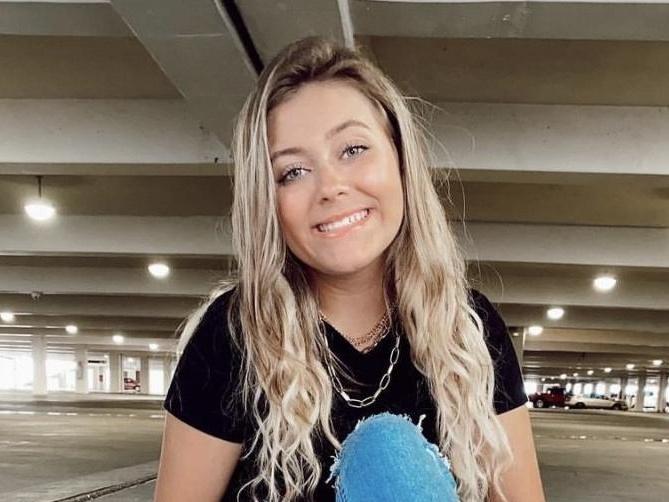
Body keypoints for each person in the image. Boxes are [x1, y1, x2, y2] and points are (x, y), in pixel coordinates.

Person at [154, 37, 545, 502]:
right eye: (292, 172)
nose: (331, 187)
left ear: (401, 159)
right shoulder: (233, 334)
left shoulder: (468, 329)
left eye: (353, 149)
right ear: (268, 203)